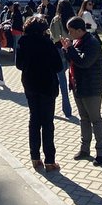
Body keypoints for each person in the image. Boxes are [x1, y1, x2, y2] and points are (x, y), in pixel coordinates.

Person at [15, 16, 62, 172]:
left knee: (34, 120)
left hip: (30, 83)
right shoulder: (47, 43)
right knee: (48, 122)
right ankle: (50, 160)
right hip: (47, 84)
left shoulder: (22, 42)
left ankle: (35, 157)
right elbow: (58, 66)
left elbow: (19, 65)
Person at [62, 17, 102, 166]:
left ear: (80, 30)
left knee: (95, 119)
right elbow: (72, 60)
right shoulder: (76, 41)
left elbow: (84, 62)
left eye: (71, 31)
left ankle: (101, 153)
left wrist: (70, 49)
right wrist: (67, 49)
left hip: (91, 88)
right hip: (78, 86)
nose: (69, 33)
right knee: (84, 119)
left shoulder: (92, 43)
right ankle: (84, 149)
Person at [48, 0, 75, 116]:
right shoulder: (74, 19)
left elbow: (54, 36)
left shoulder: (56, 19)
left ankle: (66, 108)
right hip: (73, 48)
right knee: (74, 76)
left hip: (59, 49)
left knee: (60, 79)